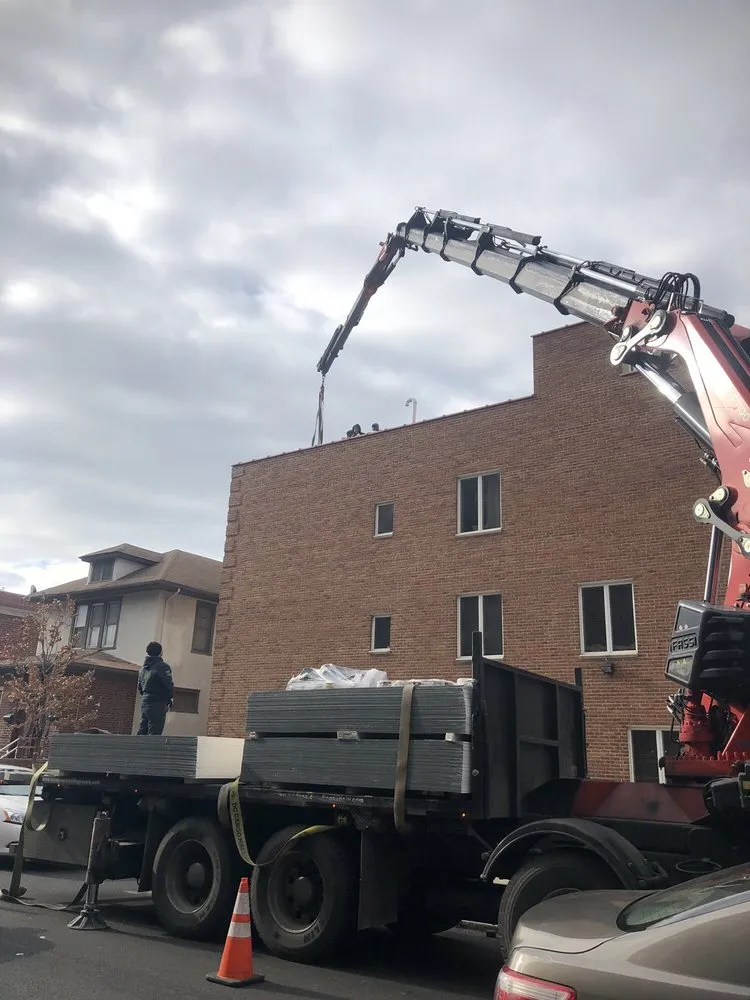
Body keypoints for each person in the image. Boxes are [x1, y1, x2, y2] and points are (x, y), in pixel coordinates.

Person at [136, 641, 174, 735]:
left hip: (145, 702)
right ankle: (150, 749)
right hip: (158, 702)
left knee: (142, 731)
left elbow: (140, 687)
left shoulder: (143, 669)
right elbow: (168, 684)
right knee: (154, 733)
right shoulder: (162, 666)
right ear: (160, 652)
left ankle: (137, 749)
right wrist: (169, 698)